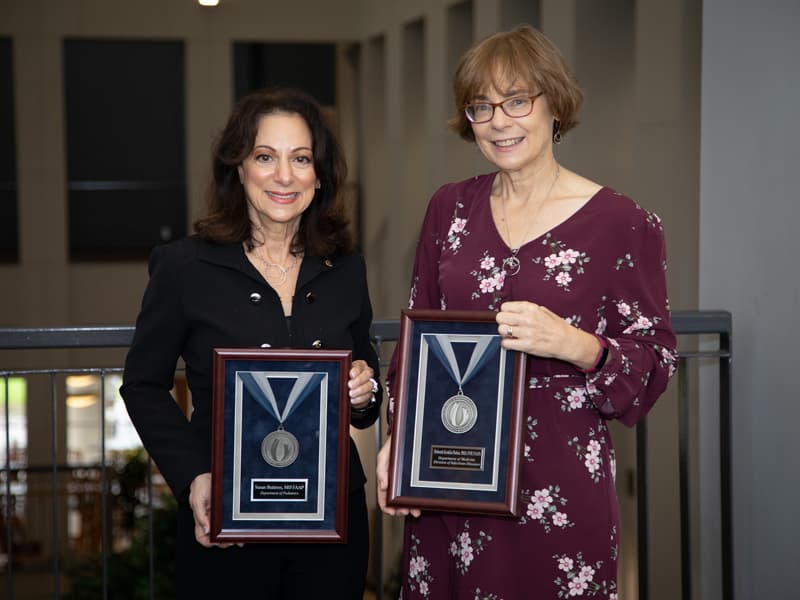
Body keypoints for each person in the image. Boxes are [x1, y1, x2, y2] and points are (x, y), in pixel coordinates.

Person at [376, 24, 678, 599]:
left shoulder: (623, 223)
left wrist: (574, 343)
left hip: (559, 496)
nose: (498, 120)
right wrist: (398, 441)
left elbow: (655, 363)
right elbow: (416, 345)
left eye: (517, 100)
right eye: (480, 106)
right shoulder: (449, 208)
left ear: (553, 104)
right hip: (449, 480)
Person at [121, 88, 381, 599]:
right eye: (266, 157)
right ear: (238, 167)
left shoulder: (346, 267)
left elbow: (364, 384)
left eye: (301, 159)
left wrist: (364, 390)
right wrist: (193, 475)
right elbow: (143, 385)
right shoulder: (183, 267)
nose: (284, 175)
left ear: (319, 173)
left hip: (334, 517)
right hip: (224, 512)